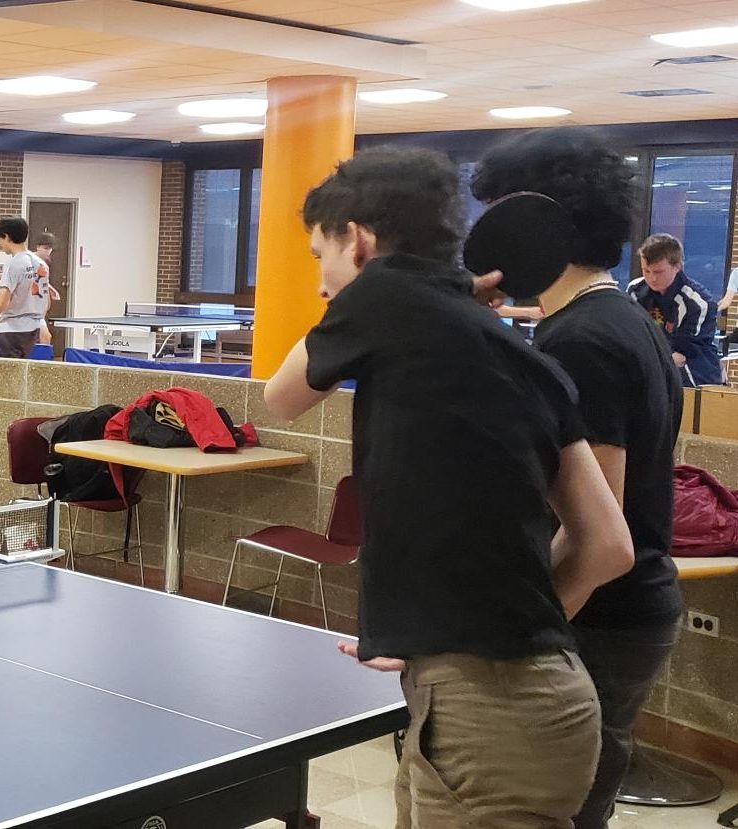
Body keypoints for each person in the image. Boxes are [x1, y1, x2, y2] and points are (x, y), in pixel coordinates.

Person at [261, 147, 633, 827]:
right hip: (545, 700)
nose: (320, 284)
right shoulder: (529, 360)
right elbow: (609, 544)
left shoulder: (380, 292)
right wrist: (465, 627)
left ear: (360, 238)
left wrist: (468, 641)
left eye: (322, 254)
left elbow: (280, 397)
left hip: (487, 719)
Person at [472, 128, 683, 829]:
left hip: (599, 621)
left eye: (502, 212)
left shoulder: (582, 341)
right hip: (627, 615)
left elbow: (598, 536)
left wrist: (512, 640)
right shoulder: (621, 320)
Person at [628, 233, 722, 386]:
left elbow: (681, 356)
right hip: (651, 368)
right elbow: (631, 337)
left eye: (658, 272)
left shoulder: (698, 303)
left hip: (697, 376)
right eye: (646, 271)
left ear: (677, 266)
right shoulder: (635, 290)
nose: (652, 278)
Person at [0, 216, 49, 358]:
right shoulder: (41, 264)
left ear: (6, 237)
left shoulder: (13, 265)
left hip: (12, 334)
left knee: (9, 378)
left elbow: (0, 305)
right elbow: (46, 302)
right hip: (34, 332)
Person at [32, 231, 63, 346]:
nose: (48, 251)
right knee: (45, 338)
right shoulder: (29, 261)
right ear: (38, 247)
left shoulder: (45, 264)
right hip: (31, 310)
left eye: (50, 248)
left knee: (45, 338)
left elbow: (42, 280)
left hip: (40, 311)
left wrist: (51, 288)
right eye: (45, 248)